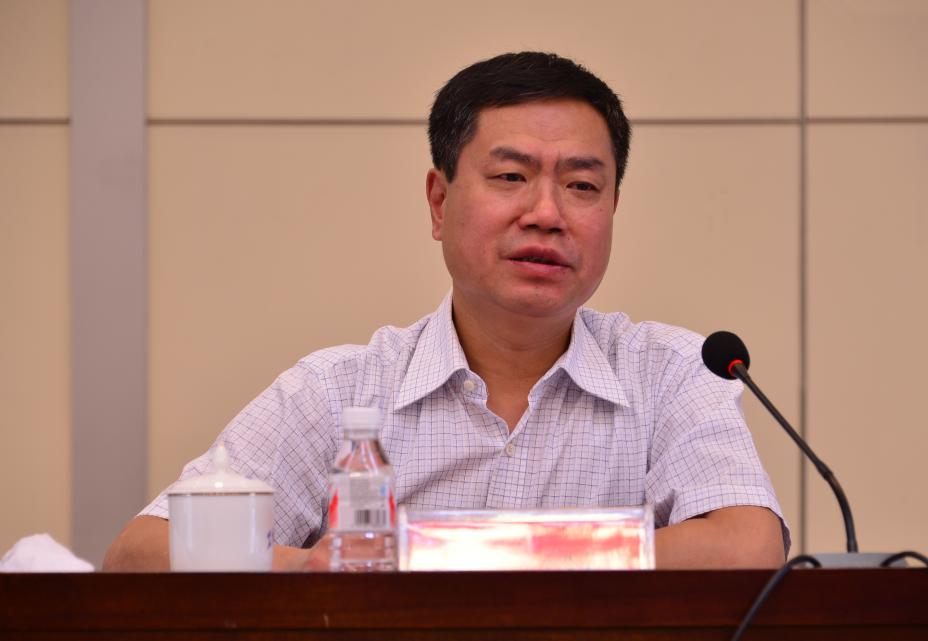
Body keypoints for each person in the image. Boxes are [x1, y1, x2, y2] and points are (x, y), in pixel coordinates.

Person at [104, 51, 788, 571]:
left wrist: (451, 553)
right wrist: (316, 567)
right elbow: (140, 551)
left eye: (582, 185)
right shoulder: (339, 391)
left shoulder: (672, 373)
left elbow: (746, 544)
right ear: (439, 202)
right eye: (511, 177)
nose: (546, 213)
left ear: (613, 208)